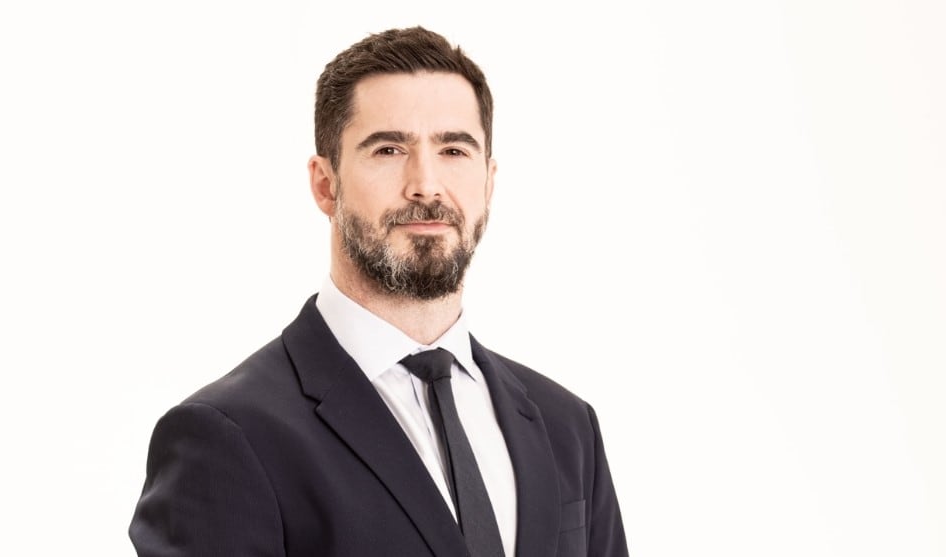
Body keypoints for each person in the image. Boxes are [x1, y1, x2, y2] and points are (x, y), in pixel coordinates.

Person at [129, 26, 629, 557]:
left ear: (488, 181)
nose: (426, 184)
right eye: (389, 149)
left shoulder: (566, 425)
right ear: (325, 184)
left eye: (454, 149)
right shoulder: (226, 436)